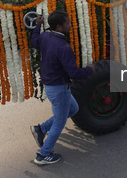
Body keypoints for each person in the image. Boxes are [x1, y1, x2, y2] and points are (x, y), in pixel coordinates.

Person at [29, 10, 94, 166]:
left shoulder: (45, 36)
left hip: (52, 85)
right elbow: (74, 73)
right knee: (59, 122)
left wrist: (37, 26)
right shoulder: (63, 47)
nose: (70, 25)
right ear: (59, 26)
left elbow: (34, 41)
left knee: (73, 109)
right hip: (58, 88)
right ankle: (43, 155)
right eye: (67, 23)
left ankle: (41, 129)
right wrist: (91, 70)